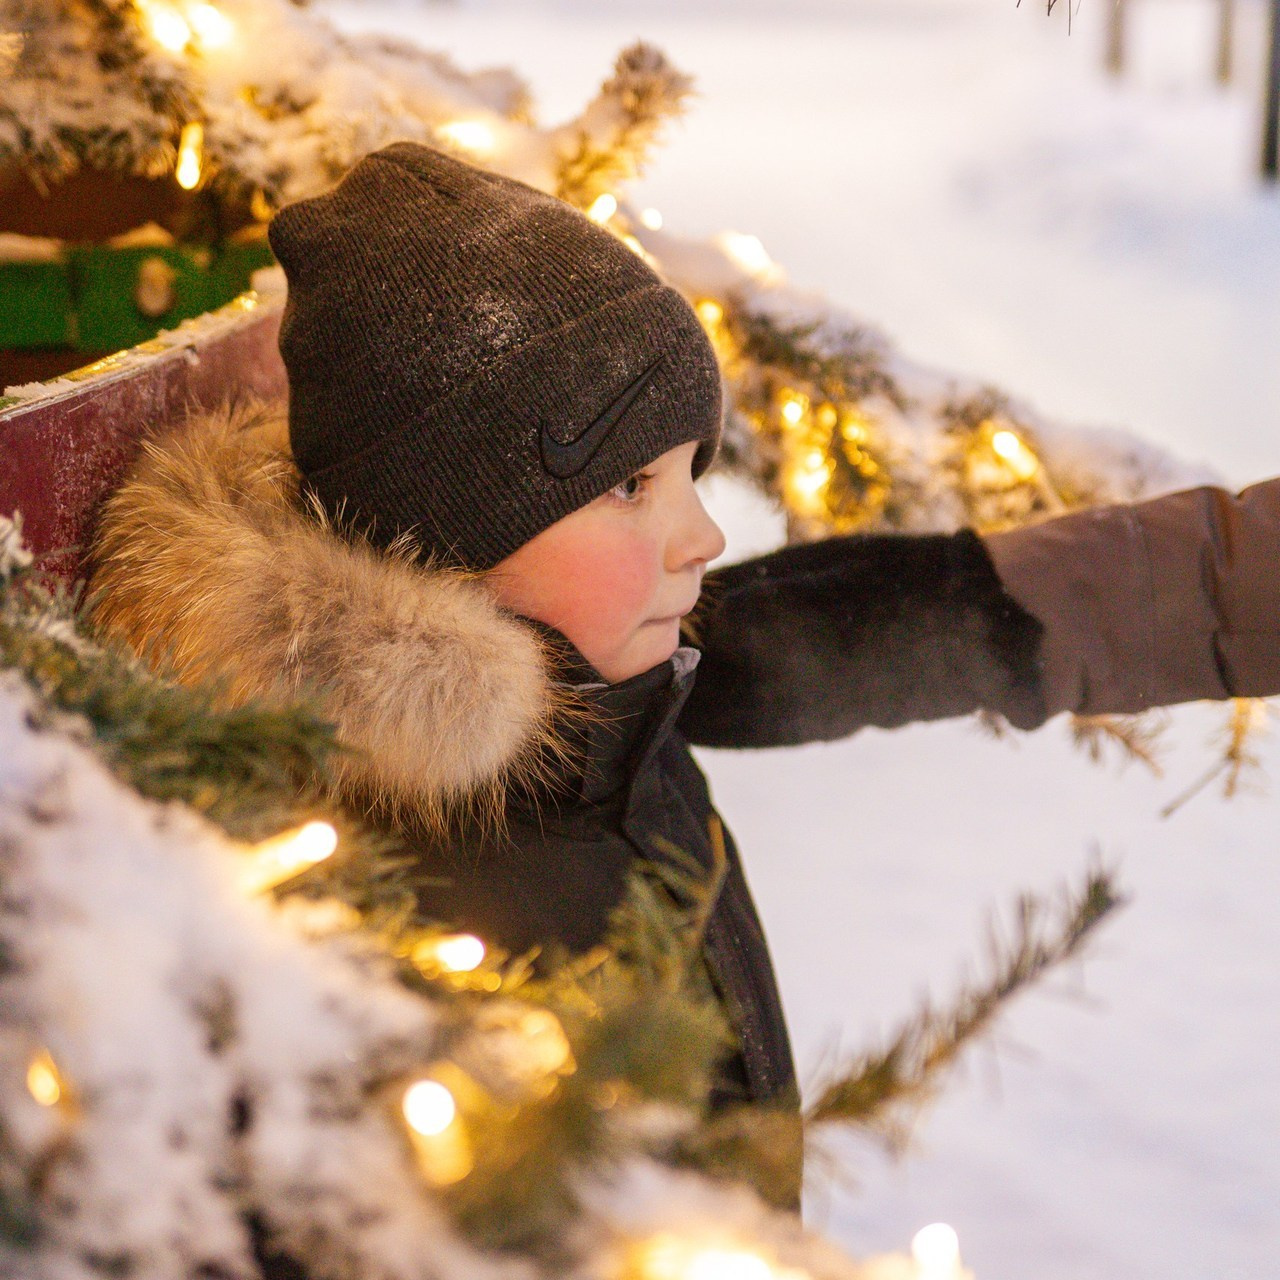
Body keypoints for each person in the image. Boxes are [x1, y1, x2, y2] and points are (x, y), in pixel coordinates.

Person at [88, 141, 1280, 1128]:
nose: (703, 532)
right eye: (629, 487)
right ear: (442, 532)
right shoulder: (357, 901)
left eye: (688, 473)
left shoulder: (608, 702)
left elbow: (892, 621)